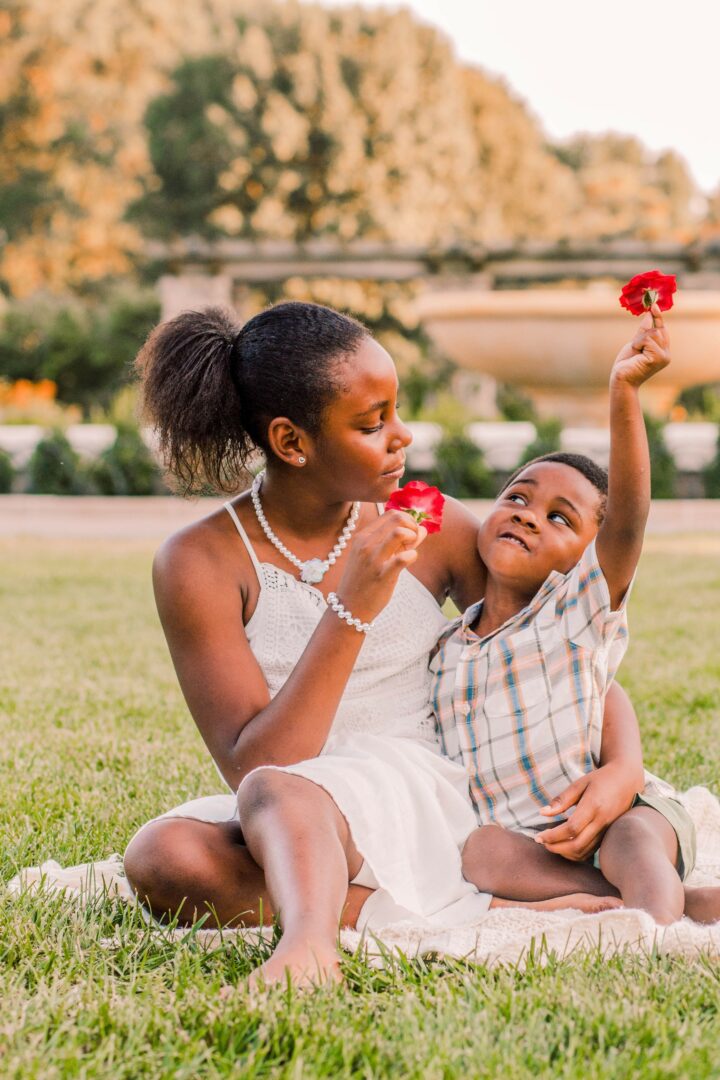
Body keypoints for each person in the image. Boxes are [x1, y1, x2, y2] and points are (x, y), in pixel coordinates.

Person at [124, 301, 632, 987]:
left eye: (396, 412)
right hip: (289, 803)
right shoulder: (198, 561)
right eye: (373, 423)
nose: (403, 436)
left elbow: (553, 650)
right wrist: (352, 606)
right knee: (164, 856)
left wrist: (623, 766)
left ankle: (309, 945)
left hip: (426, 791)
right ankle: (456, 909)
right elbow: (257, 766)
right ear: (291, 442)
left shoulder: (431, 524)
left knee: (277, 800)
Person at [431, 304, 720, 926]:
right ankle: (663, 903)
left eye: (559, 518)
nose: (528, 514)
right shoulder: (443, 648)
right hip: (535, 840)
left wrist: (625, 391)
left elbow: (628, 519)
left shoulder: (572, 614)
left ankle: (651, 928)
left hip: (622, 813)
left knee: (632, 842)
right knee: (480, 854)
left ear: (588, 555)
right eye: (517, 497)